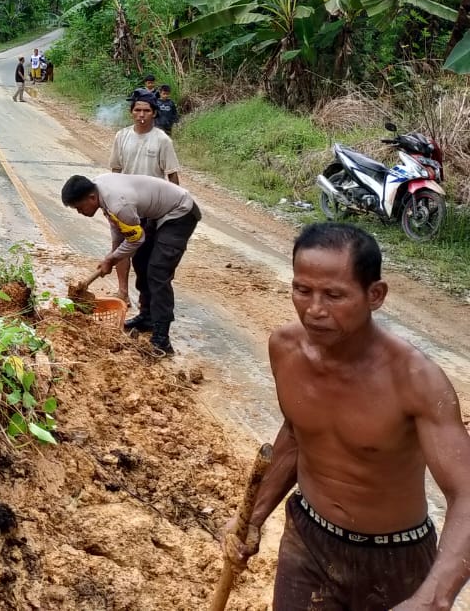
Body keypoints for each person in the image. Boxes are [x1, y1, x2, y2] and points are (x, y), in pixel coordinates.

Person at [224, 223, 470, 610]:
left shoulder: (416, 381)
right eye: (302, 290)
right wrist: (253, 517)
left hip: (395, 558)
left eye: (334, 295)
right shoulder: (285, 349)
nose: (314, 310)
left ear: (375, 295)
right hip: (308, 540)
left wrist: (433, 597)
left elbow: (466, 493)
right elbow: (298, 433)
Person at [60, 173, 201, 356]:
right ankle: (147, 317)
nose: (79, 212)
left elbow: (136, 239)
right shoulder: (101, 193)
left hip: (180, 212)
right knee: (141, 260)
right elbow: (120, 230)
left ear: (92, 198)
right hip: (159, 213)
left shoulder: (119, 204)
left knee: (158, 271)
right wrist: (112, 256)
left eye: (79, 207)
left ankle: (162, 340)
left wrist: (112, 259)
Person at [109, 98, 181, 305]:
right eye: (138, 110)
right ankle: (122, 292)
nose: (141, 115)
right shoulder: (121, 136)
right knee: (120, 247)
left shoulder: (162, 140)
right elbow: (116, 170)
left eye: (146, 111)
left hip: (152, 208)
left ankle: (147, 298)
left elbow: (172, 175)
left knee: (147, 253)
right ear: (131, 112)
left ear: (154, 113)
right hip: (125, 205)